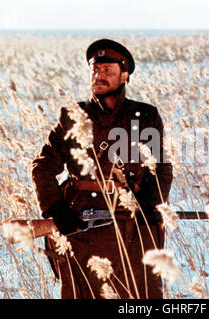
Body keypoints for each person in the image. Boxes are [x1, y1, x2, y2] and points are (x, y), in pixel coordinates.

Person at [32, 39, 173, 299]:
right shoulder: (73, 115)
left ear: (124, 75)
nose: (99, 75)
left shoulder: (145, 116)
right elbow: (42, 165)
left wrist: (151, 206)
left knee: (139, 297)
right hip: (82, 227)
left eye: (108, 70)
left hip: (133, 230)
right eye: (95, 70)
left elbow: (161, 168)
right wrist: (56, 208)